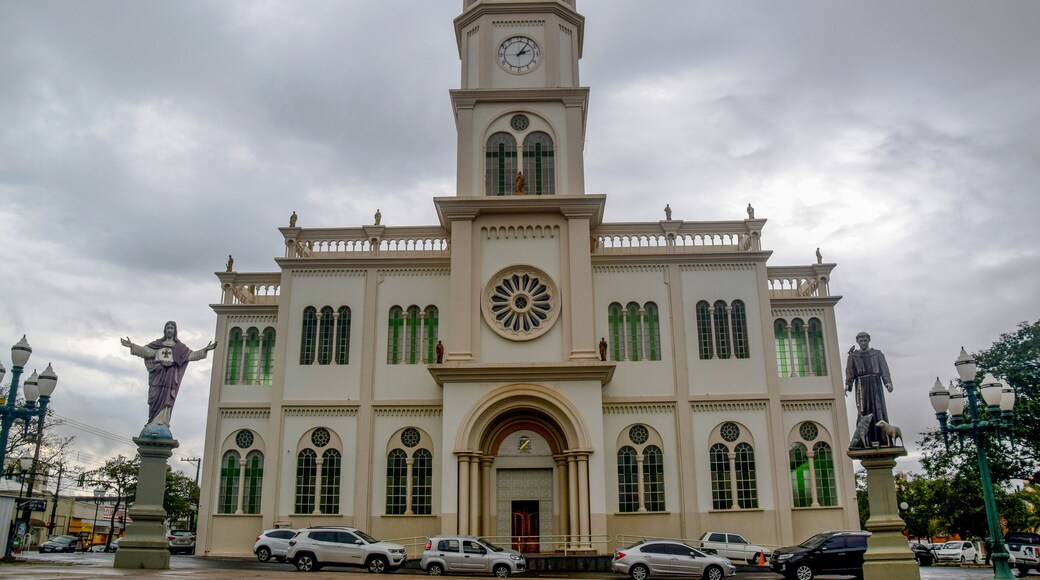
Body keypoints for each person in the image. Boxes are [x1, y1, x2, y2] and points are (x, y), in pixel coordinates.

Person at [121, 321, 217, 433]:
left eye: (172, 328)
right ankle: (152, 421)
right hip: (158, 377)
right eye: (168, 328)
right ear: (165, 330)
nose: (170, 330)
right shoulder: (157, 345)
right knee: (154, 397)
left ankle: (163, 421)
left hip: (169, 379)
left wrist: (206, 349)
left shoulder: (180, 348)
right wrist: (131, 345)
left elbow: (191, 356)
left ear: (175, 331)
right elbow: (145, 352)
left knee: (167, 398)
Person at [845, 332, 893, 446]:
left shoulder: (877, 354)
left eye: (865, 340)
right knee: (863, 411)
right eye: (860, 341)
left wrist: (888, 383)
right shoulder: (853, 356)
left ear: (869, 340)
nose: (863, 343)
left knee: (878, 410)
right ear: (857, 342)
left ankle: (883, 439)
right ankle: (864, 442)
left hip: (875, 384)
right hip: (861, 386)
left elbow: (884, 370)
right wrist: (847, 385)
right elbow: (850, 372)